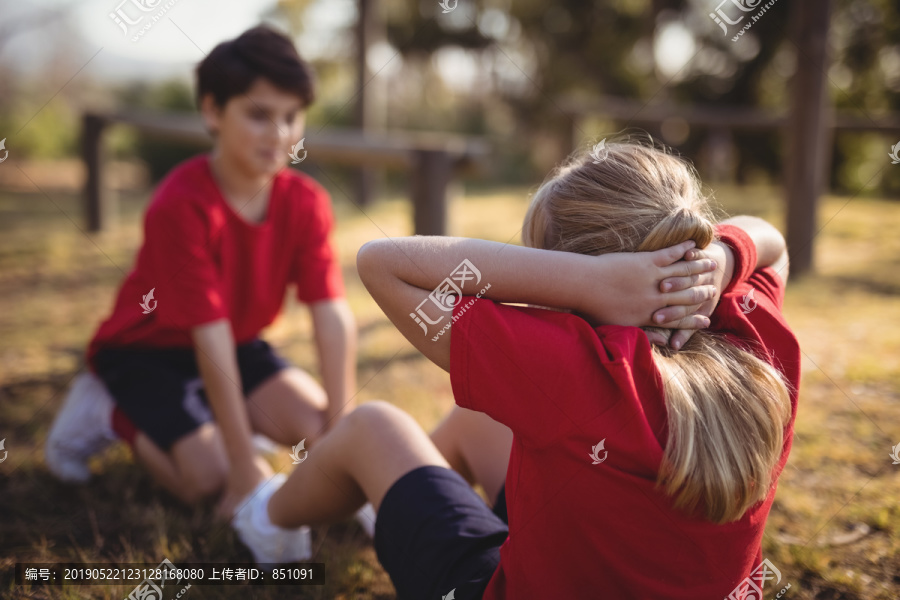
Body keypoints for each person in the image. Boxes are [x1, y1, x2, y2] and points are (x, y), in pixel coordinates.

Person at [230, 140, 799, 599]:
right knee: (476, 422)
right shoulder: (758, 341)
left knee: (374, 427)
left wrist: (591, 282)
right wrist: (722, 259)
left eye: (548, 263)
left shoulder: (571, 365)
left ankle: (266, 521)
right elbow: (773, 247)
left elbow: (384, 263)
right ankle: (391, 516)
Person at [44, 26, 357, 547]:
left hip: (236, 343)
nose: (279, 133)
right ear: (212, 111)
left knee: (319, 425)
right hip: (146, 351)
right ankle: (109, 409)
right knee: (208, 480)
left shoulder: (305, 203)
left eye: (290, 116)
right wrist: (241, 468)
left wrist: (342, 438)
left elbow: (331, 314)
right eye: (259, 115)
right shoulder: (180, 204)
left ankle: (218, 417)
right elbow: (205, 337)